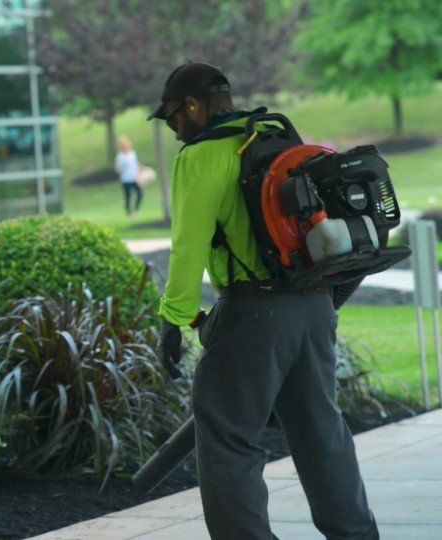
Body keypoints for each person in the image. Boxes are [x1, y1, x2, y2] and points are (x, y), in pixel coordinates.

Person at [147, 62, 379, 540]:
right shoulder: (276, 137)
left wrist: (174, 319)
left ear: (192, 105)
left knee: (229, 440)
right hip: (315, 305)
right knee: (321, 432)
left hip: (253, 314)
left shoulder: (201, 156)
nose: (174, 130)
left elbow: (188, 246)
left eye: (173, 118)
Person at [115, 136, 142, 216]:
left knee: (140, 193)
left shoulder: (132, 154)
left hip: (134, 178)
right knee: (128, 196)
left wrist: (139, 170)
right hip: (125, 179)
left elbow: (136, 164)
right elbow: (118, 168)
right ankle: (128, 213)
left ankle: (137, 209)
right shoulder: (120, 156)